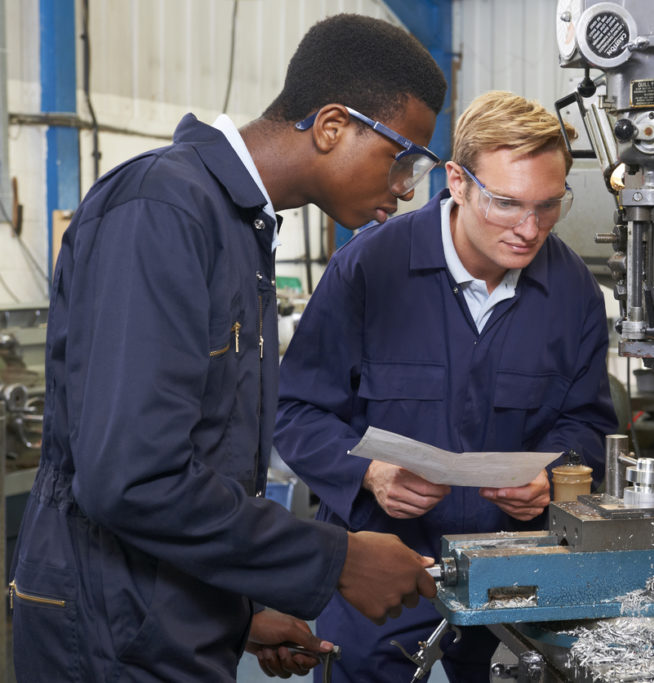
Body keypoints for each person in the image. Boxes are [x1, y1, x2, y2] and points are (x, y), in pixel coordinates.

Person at [10, 14, 447, 682]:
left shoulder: (241, 230)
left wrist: (234, 612)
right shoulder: (163, 210)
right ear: (332, 125)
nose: (408, 187)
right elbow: (132, 479)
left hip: (162, 619)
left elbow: (198, 458)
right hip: (108, 641)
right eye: (403, 157)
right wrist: (339, 559)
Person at [274, 90, 619, 681]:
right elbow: (297, 411)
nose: (530, 229)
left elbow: (588, 424)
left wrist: (552, 477)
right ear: (457, 181)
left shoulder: (573, 293)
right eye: (508, 203)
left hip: (516, 574)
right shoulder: (369, 270)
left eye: (549, 205)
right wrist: (369, 474)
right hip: (386, 570)